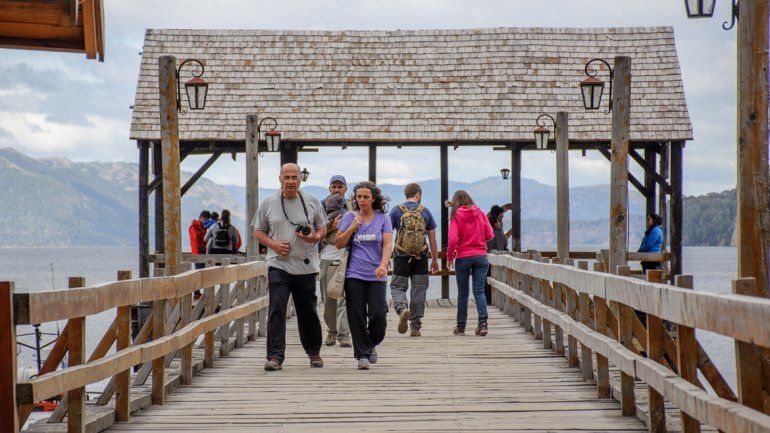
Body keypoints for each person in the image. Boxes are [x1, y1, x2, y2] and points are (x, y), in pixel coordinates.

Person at [253, 163, 327, 371]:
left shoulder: (311, 201)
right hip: (278, 265)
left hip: (305, 266)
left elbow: (323, 227)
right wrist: (274, 245)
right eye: (287, 177)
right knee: (277, 308)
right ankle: (275, 357)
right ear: (280, 179)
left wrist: (315, 237)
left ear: (300, 180)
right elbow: (258, 231)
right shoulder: (268, 202)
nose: (291, 181)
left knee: (308, 311)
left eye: (294, 177)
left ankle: (313, 352)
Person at [334, 181, 393, 370]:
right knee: (356, 314)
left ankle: (370, 343)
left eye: (366, 197)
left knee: (378, 315)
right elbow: (338, 243)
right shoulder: (349, 217)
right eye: (359, 197)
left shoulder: (383, 218)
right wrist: (352, 227)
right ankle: (362, 355)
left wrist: (384, 264)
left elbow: (387, 244)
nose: (362, 200)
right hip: (354, 274)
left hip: (377, 274)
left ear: (373, 198)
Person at [389, 183, 439, 337]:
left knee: (397, 287)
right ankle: (415, 327)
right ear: (418, 195)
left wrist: (385, 257)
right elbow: (433, 239)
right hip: (421, 258)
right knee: (419, 290)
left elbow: (387, 235)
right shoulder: (426, 212)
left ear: (406, 194)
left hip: (401, 256)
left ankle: (402, 309)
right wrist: (435, 260)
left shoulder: (397, 211)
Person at [446, 190, 494, 337]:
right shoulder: (480, 213)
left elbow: (453, 239)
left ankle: (461, 327)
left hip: (463, 257)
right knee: (479, 291)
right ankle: (483, 325)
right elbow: (490, 235)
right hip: (480, 257)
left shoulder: (455, 216)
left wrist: (449, 258)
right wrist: (478, 241)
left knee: (463, 294)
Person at [318, 175, 352, 348]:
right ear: (329, 188)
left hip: (347, 257)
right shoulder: (320, 206)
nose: (337, 189)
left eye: (340, 186)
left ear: (345, 188)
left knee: (345, 298)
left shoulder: (353, 206)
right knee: (327, 299)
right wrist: (331, 226)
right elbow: (314, 231)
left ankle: (344, 335)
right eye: (334, 186)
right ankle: (332, 330)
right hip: (326, 256)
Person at [485, 204, 511, 303]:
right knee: (488, 279)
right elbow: (499, 241)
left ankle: (494, 300)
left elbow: (503, 242)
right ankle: (489, 300)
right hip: (490, 256)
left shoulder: (498, 225)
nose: (503, 216)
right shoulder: (491, 227)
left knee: (494, 279)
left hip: (497, 256)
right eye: (501, 214)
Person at [188, 210, 210, 299]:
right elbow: (196, 237)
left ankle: (206, 293)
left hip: (204, 252)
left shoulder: (204, 227)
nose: (206, 221)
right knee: (198, 273)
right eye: (205, 219)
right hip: (197, 253)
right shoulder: (193, 227)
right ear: (200, 217)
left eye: (207, 220)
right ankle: (196, 293)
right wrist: (204, 228)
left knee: (206, 273)